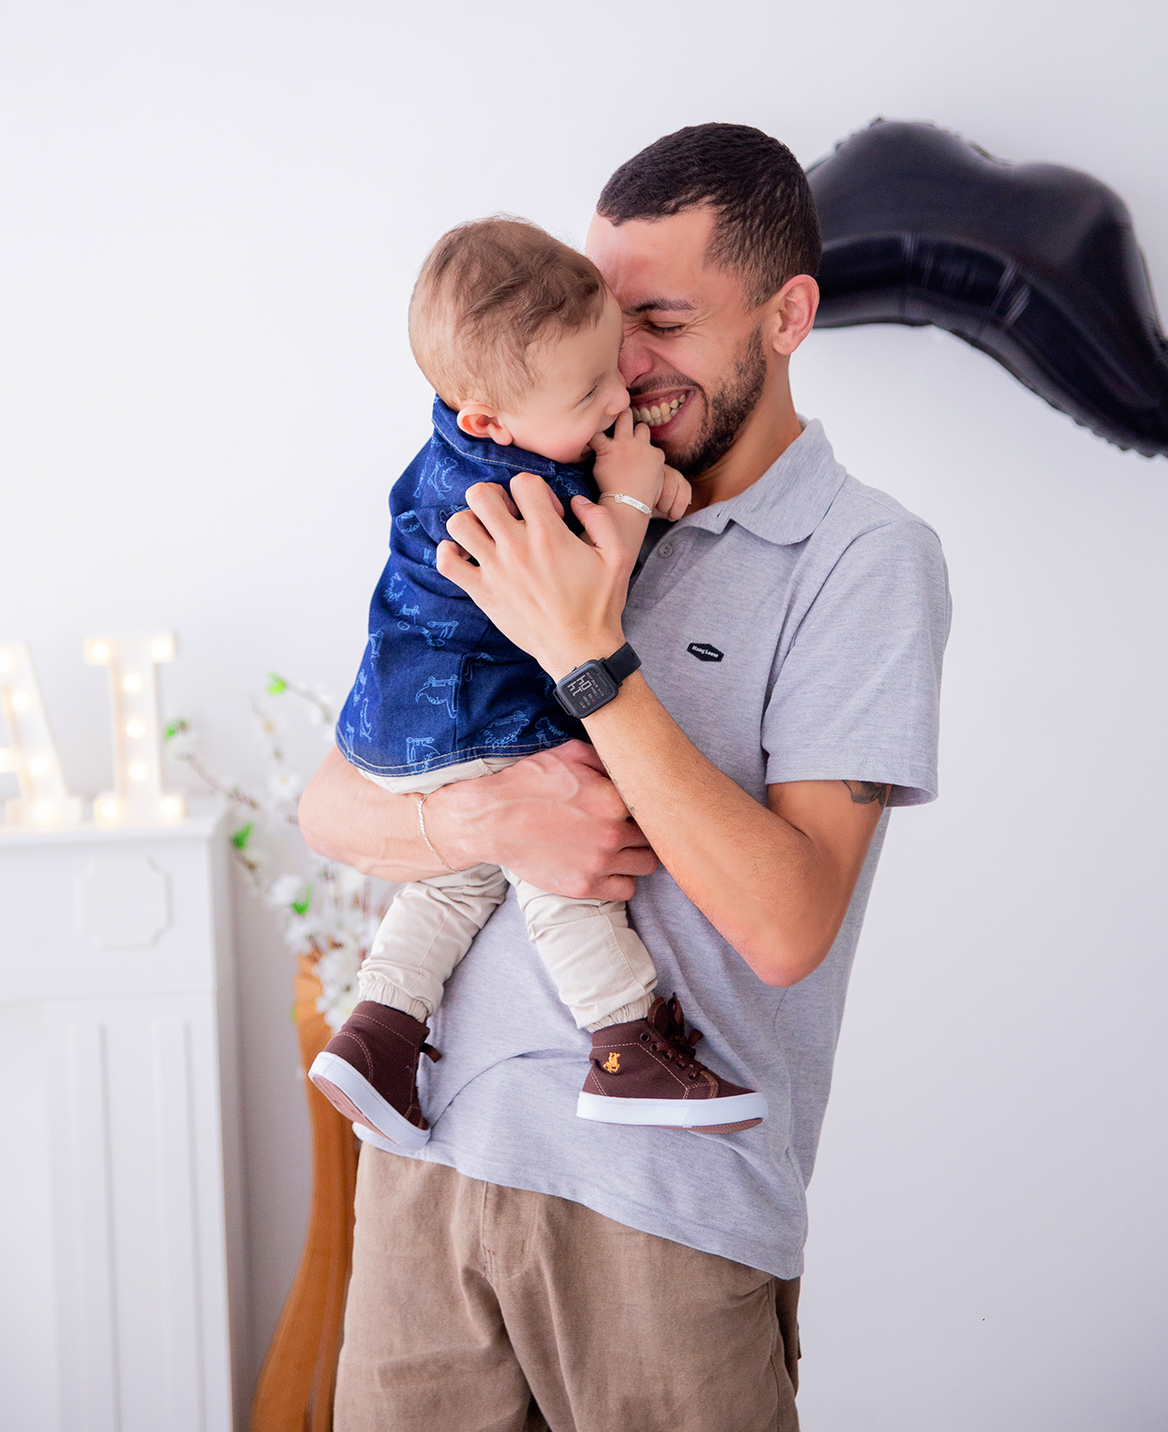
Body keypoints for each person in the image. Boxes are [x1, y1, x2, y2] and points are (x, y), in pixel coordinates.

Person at [301, 122, 951, 1432]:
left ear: (787, 315)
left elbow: (785, 924)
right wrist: (489, 814)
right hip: (427, 1170)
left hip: (662, 1217)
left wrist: (588, 655)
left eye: (660, 320)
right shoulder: (537, 489)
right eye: (605, 315)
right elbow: (333, 804)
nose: (621, 365)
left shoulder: (862, 558)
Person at [308, 216, 765, 1148]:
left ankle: (379, 1033)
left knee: (455, 882)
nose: (621, 390)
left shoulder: (466, 443)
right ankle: (624, 1040)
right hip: (473, 715)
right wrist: (635, 494)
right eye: (592, 387)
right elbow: (586, 598)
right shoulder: (516, 491)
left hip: (400, 724)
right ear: (489, 419)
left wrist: (631, 474)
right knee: (566, 867)